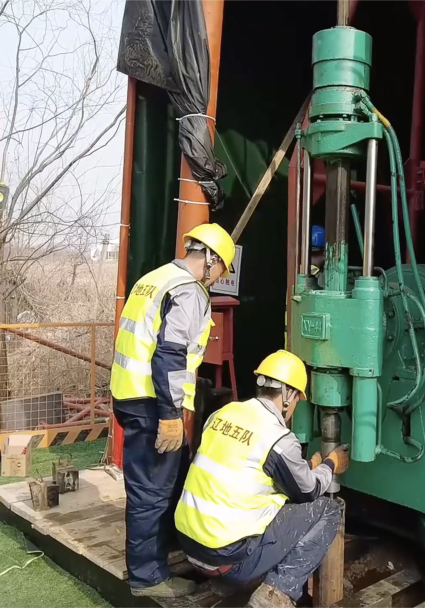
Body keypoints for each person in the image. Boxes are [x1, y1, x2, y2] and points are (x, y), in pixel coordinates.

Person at [110, 222, 236, 598]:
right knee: (151, 492)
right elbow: (169, 353)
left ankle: (163, 554)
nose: (217, 278)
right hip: (152, 403)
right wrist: (170, 415)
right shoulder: (188, 290)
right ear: (211, 259)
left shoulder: (154, 279)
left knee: (168, 477)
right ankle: (147, 578)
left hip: (129, 394)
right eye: (220, 270)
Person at [174, 350, 351, 608]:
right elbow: (308, 491)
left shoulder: (223, 413)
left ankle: (232, 581)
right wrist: (330, 464)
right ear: (288, 395)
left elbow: (246, 469)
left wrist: (309, 466)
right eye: (298, 399)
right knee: (328, 509)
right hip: (229, 559)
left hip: (190, 545)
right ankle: (275, 595)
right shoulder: (278, 438)